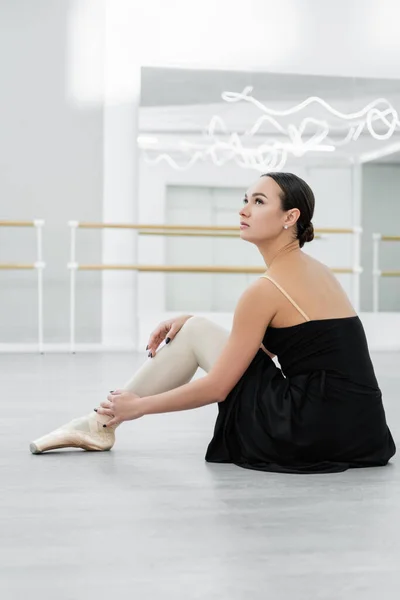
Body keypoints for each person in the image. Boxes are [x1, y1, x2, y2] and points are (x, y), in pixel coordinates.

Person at [30, 172, 396, 474]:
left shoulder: (265, 290)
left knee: (197, 332)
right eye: (245, 199)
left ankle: (102, 422)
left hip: (308, 428)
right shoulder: (317, 272)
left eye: (258, 202)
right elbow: (290, 343)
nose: (244, 210)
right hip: (362, 430)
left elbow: (218, 387)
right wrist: (193, 323)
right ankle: (101, 422)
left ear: (290, 217)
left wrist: (138, 407)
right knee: (197, 328)